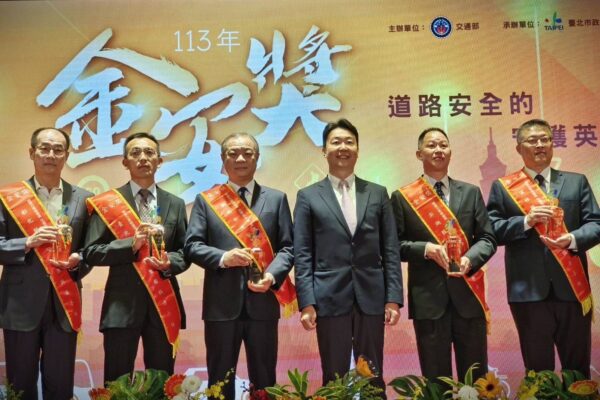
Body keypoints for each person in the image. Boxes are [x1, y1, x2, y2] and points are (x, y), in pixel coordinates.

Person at [293, 118, 402, 394]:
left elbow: (390, 249)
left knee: (373, 375)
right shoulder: (308, 196)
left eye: (349, 142)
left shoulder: (377, 193)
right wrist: (307, 302)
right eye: (336, 142)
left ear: (358, 149)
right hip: (328, 297)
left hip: (371, 296)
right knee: (334, 377)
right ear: (324, 150)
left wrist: (393, 298)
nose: (343, 147)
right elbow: (303, 254)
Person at [184, 132, 295, 400]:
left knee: (265, 381)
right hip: (221, 307)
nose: (240, 158)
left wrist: (272, 276)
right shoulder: (206, 200)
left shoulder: (277, 199)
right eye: (233, 153)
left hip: (263, 304)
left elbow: (288, 248)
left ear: (257, 158)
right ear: (223, 160)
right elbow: (192, 246)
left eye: (247, 152)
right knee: (219, 382)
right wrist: (224, 258)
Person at [487, 119, 600, 377]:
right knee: (538, 372)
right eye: (532, 140)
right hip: (528, 292)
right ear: (519, 148)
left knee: (577, 370)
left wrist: (572, 239)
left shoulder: (576, 182)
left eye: (545, 139)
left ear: (552, 144)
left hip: (572, 289)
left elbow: (596, 223)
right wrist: (526, 221)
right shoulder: (504, 187)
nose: (540, 145)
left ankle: (578, 394)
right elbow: (491, 230)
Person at [391, 127, 496, 382]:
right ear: (419, 154)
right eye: (431, 145)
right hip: (429, 302)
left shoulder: (470, 192)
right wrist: (425, 249)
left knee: (477, 380)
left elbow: (487, 238)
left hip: (469, 296)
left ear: (450, 152)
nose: (438, 150)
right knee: (436, 382)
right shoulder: (403, 197)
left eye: (443, 145)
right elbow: (393, 246)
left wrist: (470, 258)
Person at [83, 132, 189, 383]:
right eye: (135, 153)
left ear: (159, 161)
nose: (143, 158)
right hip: (121, 306)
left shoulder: (175, 203)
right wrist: (131, 244)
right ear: (125, 162)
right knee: (117, 383)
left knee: (161, 383)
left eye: (150, 153)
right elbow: (91, 252)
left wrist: (170, 262)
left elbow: (185, 251)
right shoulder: (108, 203)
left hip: (163, 304)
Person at [0, 127, 92, 400]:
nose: (51, 154)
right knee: (20, 385)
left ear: (66, 156)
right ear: (32, 153)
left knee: (60, 385)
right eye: (44, 148)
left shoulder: (83, 198)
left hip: (64, 303)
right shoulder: (8, 196)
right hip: (20, 304)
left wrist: (78, 260)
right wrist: (27, 242)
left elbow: (91, 250)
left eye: (58, 149)